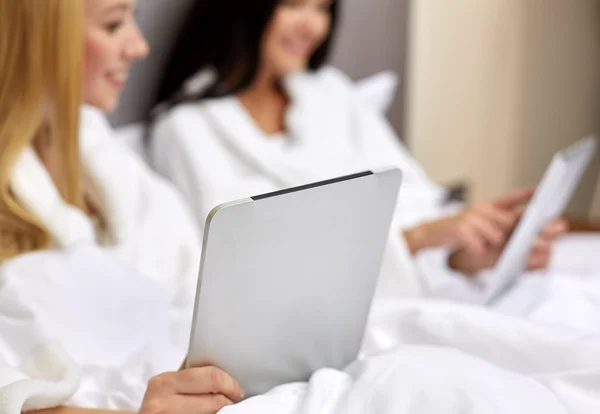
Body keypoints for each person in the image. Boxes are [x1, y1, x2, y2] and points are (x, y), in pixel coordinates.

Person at [146, 0, 567, 301]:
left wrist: (478, 251)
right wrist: (419, 238)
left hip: (410, 293)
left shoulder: (330, 94)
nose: (313, 26)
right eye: (295, 5)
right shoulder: (186, 128)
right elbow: (248, 261)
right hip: (322, 314)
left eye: (324, 8)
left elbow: (414, 204)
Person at [0, 1, 244, 413]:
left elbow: (196, 279)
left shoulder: (105, 156)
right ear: (38, 39)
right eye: (113, 26)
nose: (139, 47)